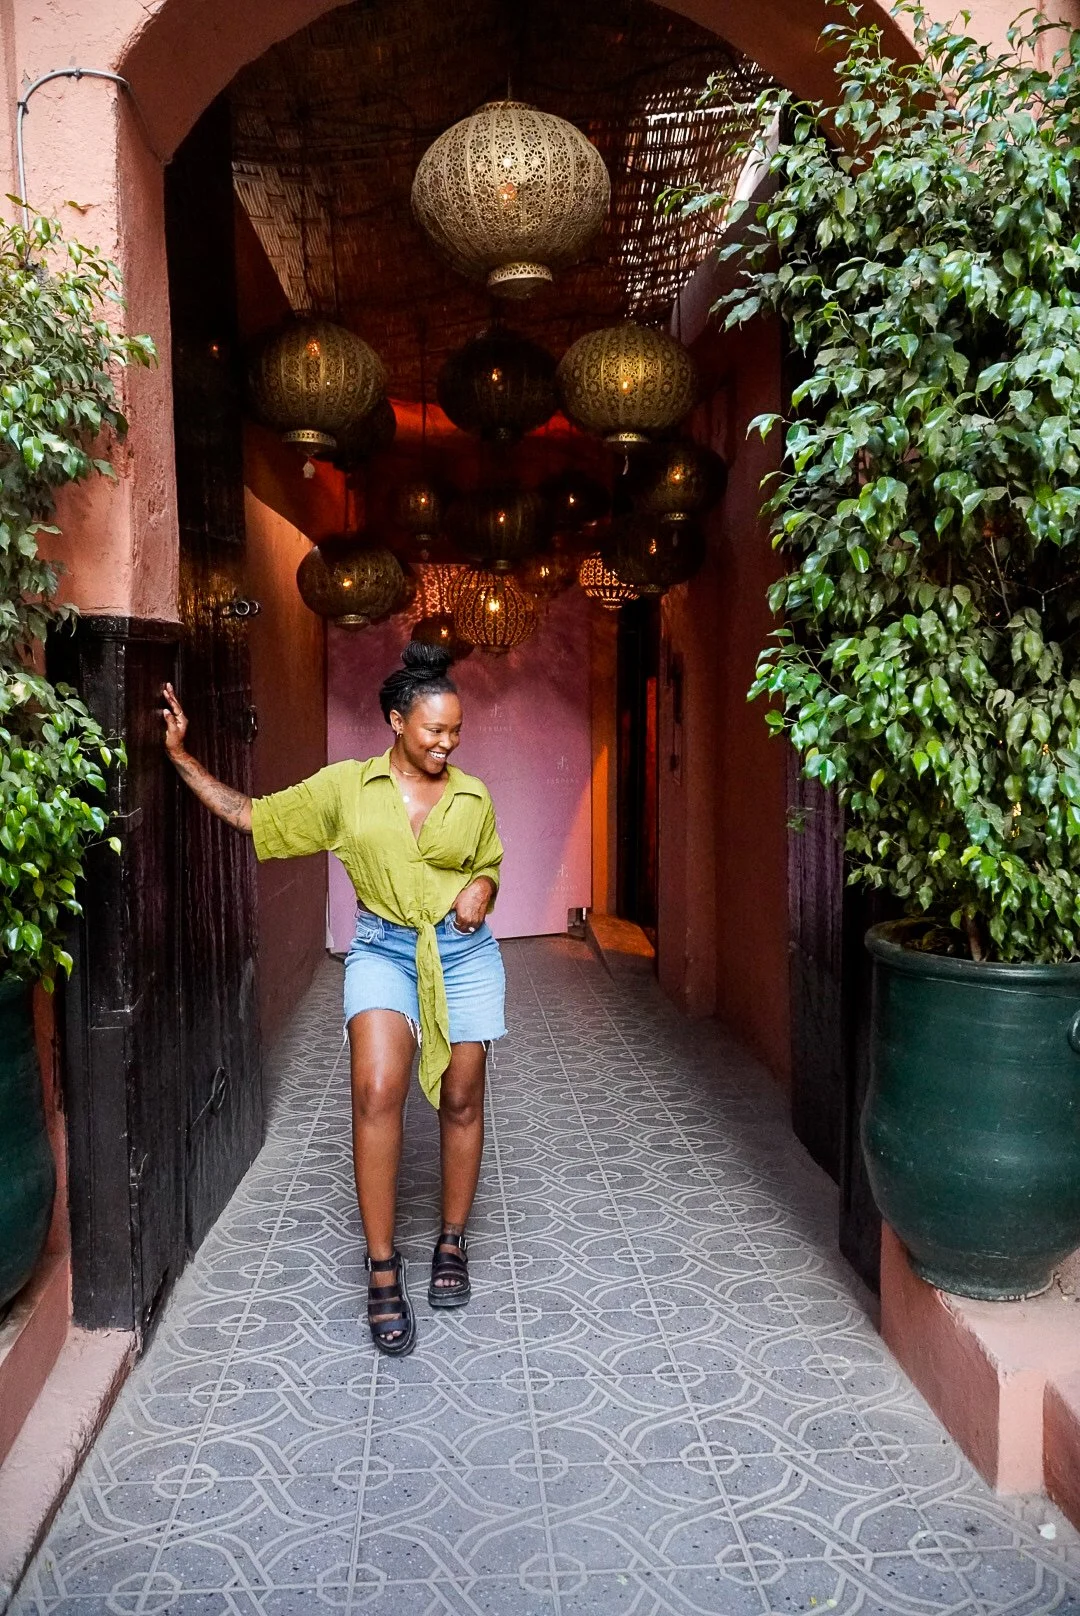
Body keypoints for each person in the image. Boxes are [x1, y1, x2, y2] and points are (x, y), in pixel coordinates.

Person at [160, 642, 505, 1358]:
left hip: (462, 954)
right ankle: (382, 1267)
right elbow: (254, 816)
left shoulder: (473, 796)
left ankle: (452, 1240)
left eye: (455, 731)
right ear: (396, 721)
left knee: (462, 1096)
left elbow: (488, 864)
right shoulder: (346, 789)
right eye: (434, 729)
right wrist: (182, 757)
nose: (447, 743)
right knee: (376, 1089)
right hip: (383, 949)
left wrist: (482, 887)